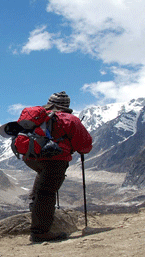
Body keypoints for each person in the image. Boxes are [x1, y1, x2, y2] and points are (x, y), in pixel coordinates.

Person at [25, 91, 92, 242]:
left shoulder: (36, 117)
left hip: (30, 157)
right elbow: (85, 145)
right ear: (66, 106)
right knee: (47, 193)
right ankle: (40, 232)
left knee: (43, 176)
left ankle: (34, 205)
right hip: (55, 159)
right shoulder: (70, 120)